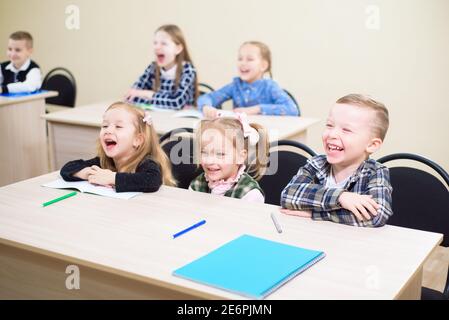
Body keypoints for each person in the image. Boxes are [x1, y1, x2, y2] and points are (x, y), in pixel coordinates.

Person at [280, 94, 393, 227]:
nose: (332, 134)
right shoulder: (316, 164)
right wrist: (340, 197)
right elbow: (288, 195)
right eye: (329, 125)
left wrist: (316, 214)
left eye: (346, 130)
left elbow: (376, 216)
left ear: (371, 145)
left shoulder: (376, 172)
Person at [61, 102, 175, 192]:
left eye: (118, 127)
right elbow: (68, 168)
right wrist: (89, 174)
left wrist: (112, 178)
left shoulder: (146, 162)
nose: (108, 130)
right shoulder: (105, 161)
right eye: (105, 125)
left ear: (137, 140)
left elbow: (152, 181)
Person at [198, 41, 298, 118]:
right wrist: (206, 107)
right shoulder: (235, 86)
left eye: (249, 59)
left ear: (263, 65)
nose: (243, 63)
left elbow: (292, 109)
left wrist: (256, 109)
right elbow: (207, 97)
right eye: (240, 59)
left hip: (267, 135)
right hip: (241, 137)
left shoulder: (270, 87)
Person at [189, 113, 269, 202]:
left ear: (240, 157)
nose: (209, 161)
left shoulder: (249, 194)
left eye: (220, 154)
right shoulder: (197, 184)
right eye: (204, 152)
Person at [124, 24, 197, 110]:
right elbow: (132, 96)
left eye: (164, 43)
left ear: (178, 49)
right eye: (155, 43)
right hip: (157, 117)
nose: (157, 47)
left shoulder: (188, 70)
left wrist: (147, 94)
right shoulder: (153, 68)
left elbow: (177, 102)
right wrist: (141, 94)